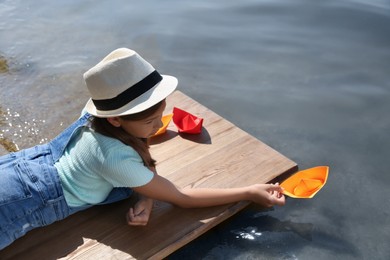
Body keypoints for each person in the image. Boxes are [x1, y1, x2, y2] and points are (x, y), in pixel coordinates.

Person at [0, 48, 285, 249]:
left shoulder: (94, 120)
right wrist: (249, 191)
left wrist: (146, 197)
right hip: (25, 202)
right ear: (116, 119)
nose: (158, 125)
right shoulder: (115, 157)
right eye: (150, 120)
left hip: (25, 166)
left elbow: (142, 163)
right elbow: (182, 197)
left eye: (160, 114)